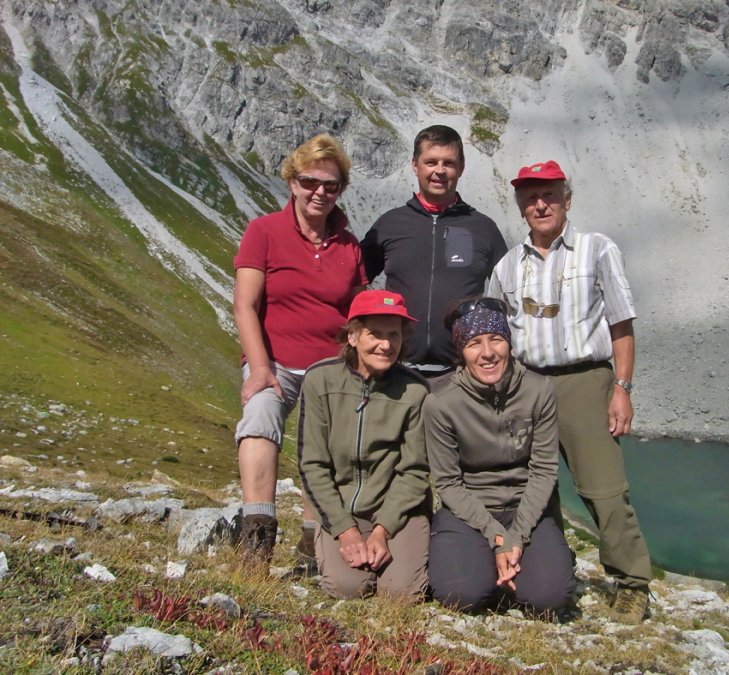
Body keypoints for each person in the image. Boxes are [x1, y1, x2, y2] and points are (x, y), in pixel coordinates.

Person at [487, 160, 653, 624]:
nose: (540, 204)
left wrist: (621, 387)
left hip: (585, 380)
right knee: (530, 489)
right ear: (520, 205)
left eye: (550, 195)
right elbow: (498, 334)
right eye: (530, 197)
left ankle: (633, 583)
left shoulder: (597, 249)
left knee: (603, 488)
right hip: (527, 385)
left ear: (567, 199)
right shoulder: (505, 267)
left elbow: (622, 323)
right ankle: (547, 570)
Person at [232, 134, 367, 569]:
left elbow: (356, 312)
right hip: (274, 364)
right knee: (259, 419)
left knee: (324, 449)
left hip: (330, 368)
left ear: (340, 190)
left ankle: (313, 544)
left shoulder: (349, 245)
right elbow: (245, 303)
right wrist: (258, 368)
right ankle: (257, 536)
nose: (320, 193)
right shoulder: (264, 231)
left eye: (331, 185)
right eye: (310, 182)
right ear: (292, 181)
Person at [424, 297, 574, 615]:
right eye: (474, 343)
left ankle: (520, 566)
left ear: (509, 342)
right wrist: (496, 536)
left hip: (527, 510)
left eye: (496, 339)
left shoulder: (539, 391)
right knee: (460, 595)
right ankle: (489, 566)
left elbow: (544, 470)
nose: (488, 353)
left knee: (549, 599)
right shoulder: (441, 403)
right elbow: (448, 482)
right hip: (470, 511)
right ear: (461, 352)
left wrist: (516, 536)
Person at [299, 290, 430, 599]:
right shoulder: (320, 380)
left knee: (401, 594)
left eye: (394, 335)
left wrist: (383, 531)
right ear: (353, 336)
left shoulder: (416, 391)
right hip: (342, 508)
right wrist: (345, 530)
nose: (385, 345)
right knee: (347, 588)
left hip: (398, 512)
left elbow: (415, 471)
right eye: (375, 334)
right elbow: (312, 464)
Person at [360, 124, 508, 377]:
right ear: (415, 165)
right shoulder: (390, 224)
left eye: (448, 163)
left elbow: (508, 296)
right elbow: (353, 282)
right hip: (396, 370)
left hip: (462, 373)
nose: (439, 171)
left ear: (461, 167)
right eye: (431, 162)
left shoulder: (483, 228)